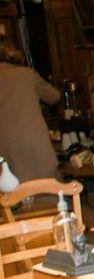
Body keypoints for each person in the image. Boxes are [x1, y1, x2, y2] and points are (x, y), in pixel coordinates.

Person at [0, 39, 61, 182]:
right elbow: (54, 96)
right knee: (46, 187)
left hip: (3, 143)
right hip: (32, 138)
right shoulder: (27, 74)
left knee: (10, 192)